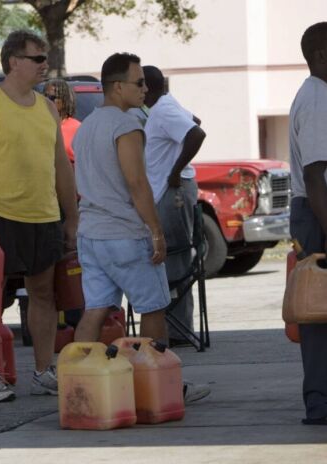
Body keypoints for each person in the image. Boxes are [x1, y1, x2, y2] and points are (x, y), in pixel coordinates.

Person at [72, 53, 209, 404]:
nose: (146, 89)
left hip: (91, 233)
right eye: (139, 83)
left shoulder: (86, 126)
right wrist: (156, 231)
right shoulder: (126, 125)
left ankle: (79, 386)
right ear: (117, 87)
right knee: (153, 307)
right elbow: (137, 182)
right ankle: (157, 390)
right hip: (125, 234)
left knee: (96, 309)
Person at [0, 30, 79, 402]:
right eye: (37, 58)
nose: (45, 65)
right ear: (14, 62)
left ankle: (43, 370)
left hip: (43, 216)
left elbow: (61, 165)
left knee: (44, 295)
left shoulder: (46, 107)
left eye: (45, 58)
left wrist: (71, 217)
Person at [288, 21, 327, 426]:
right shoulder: (320, 100)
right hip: (323, 211)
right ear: (321, 55)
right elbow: (316, 173)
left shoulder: (322, 95)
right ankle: (322, 404)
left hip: (321, 209)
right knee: (322, 311)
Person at [141, 65, 206, 346]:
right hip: (165, 190)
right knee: (168, 257)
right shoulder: (164, 106)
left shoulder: (164, 109)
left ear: (148, 88)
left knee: (174, 258)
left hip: (172, 191)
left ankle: (178, 330)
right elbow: (196, 120)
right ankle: (174, 326)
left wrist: (175, 170)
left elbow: (196, 133)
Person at [43, 79, 80, 164]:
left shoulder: (78, 128)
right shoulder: (39, 125)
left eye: (52, 97)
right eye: (45, 96)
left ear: (65, 99)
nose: (47, 101)